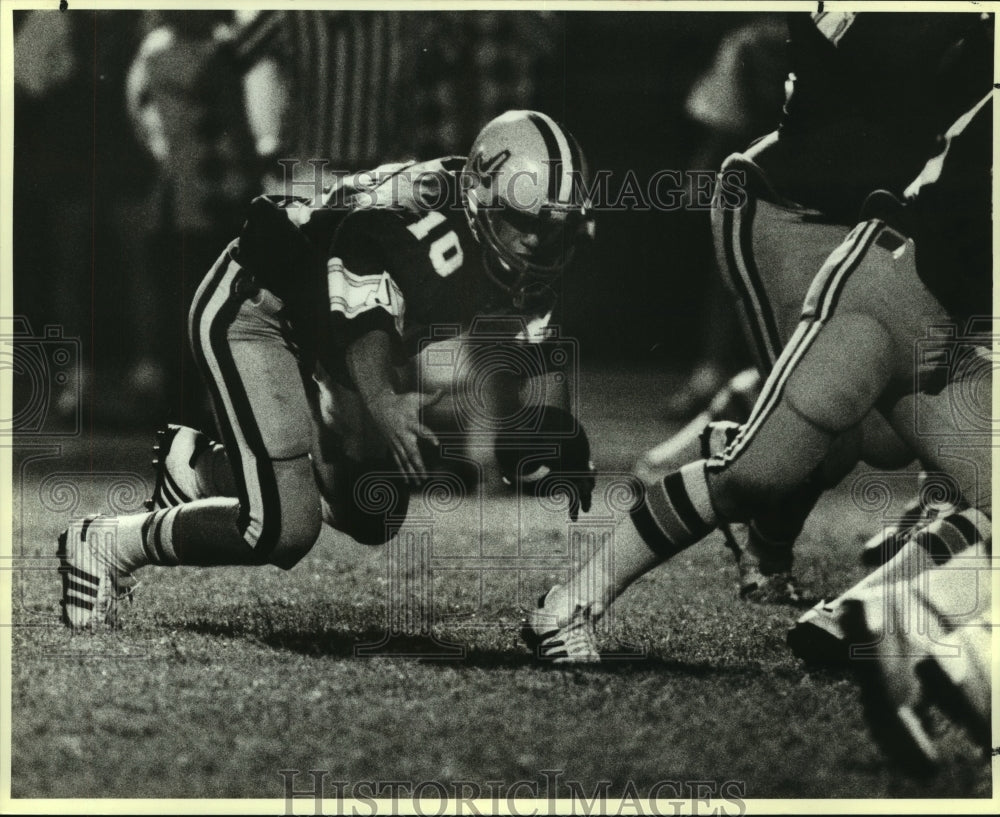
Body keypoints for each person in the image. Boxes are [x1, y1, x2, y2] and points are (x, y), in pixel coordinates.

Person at [523, 87, 993, 768]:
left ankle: (904, 622)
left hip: (949, 324)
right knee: (754, 475)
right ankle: (566, 604)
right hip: (890, 296)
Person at [57, 110, 597, 629]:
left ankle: (198, 469)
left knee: (371, 512)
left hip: (325, 336)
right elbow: (362, 320)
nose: (536, 239)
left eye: (553, 225)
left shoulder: (502, 231)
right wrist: (385, 404)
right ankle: (106, 542)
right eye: (526, 221)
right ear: (483, 196)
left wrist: (551, 436)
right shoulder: (421, 224)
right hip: (258, 311)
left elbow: (538, 348)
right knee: (278, 530)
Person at [637, 10, 993, 604]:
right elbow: (878, 60)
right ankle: (757, 542)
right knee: (826, 440)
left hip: (870, 228)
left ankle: (739, 455)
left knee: (885, 440)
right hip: (783, 211)